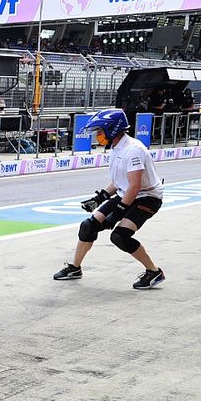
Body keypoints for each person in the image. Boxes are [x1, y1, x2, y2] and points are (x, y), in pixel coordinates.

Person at [53, 109, 165, 289]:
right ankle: (75, 268)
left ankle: (154, 271)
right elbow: (119, 182)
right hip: (126, 194)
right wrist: (100, 198)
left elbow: (135, 186)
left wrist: (119, 211)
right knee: (88, 226)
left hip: (147, 197)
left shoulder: (133, 150)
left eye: (100, 131)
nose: (97, 135)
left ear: (113, 129)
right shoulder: (116, 147)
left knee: (120, 236)